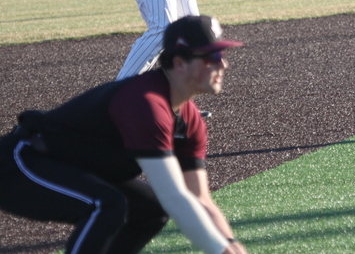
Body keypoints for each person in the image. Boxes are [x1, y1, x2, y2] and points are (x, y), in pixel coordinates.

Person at [0, 15, 249, 253]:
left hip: (60, 165)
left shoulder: (189, 119)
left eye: (222, 54)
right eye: (211, 56)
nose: (222, 64)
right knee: (106, 204)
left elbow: (200, 198)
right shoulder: (145, 103)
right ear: (180, 63)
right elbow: (175, 196)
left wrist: (230, 244)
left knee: (150, 209)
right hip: (20, 164)